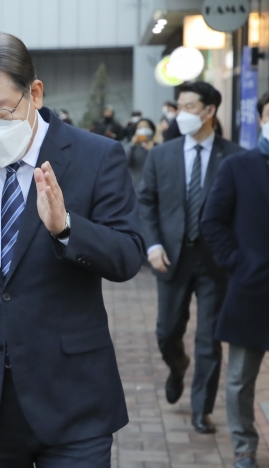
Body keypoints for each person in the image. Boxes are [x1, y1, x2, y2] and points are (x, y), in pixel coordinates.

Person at [0, 31, 145, 467]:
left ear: (34, 93)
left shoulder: (97, 156)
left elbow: (128, 254)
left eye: (1, 111)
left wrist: (66, 227)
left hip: (74, 398)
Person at [138, 81, 244, 435]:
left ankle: (202, 408)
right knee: (167, 331)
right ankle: (177, 364)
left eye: (189, 107)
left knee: (210, 338)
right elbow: (146, 203)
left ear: (210, 111)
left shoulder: (234, 156)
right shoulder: (161, 155)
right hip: (172, 256)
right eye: (179, 106)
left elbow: (244, 211)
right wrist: (152, 246)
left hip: (216, 261)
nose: (180, 114)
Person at [201, 90, 269, 468]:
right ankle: (244, 448)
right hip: (252, 286)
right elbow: (212, 221)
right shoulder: (238, 167)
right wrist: (238, 263)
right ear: (260, 118)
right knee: (241, 377)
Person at [127, 118, 156, 188]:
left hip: (153, 186)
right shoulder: (132, 147)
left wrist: (152, 149)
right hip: (135, 186)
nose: (143, 129)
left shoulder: (158, 147)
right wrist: (132, 145)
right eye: (140, 127)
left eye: (146, 127)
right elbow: (124, 162)